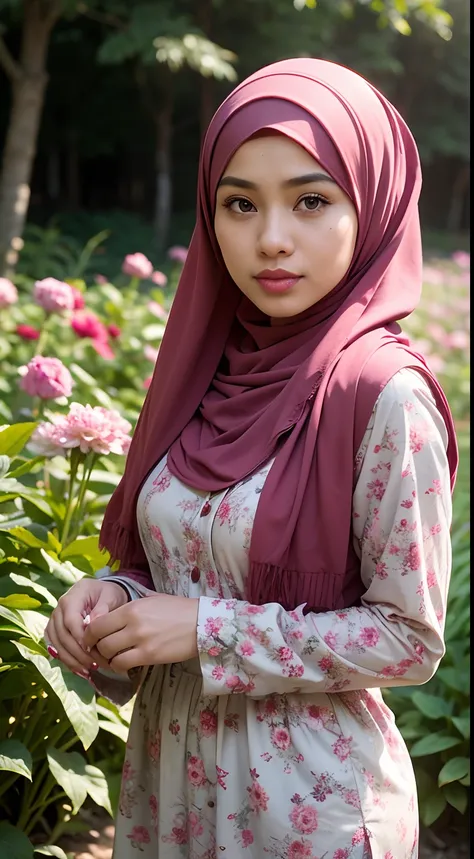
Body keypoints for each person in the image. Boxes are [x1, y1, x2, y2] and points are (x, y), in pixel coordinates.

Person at [45, 58, 458, 859]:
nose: (270, 238)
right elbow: (188, 563)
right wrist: (115, 593)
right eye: (240, 204)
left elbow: (409, 638)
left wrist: (206, 631)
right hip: (170, 786)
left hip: (305, 806)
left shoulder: (382, 396)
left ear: (368, 204)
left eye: (311, 200)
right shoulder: (207, 365)